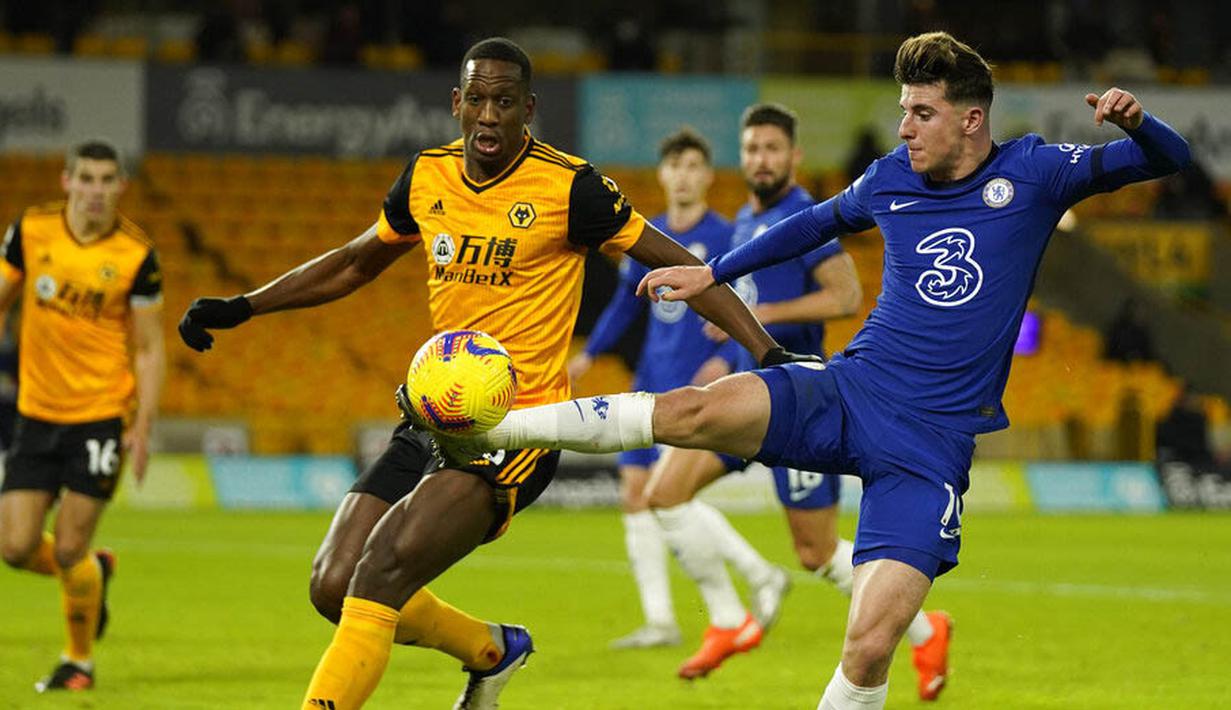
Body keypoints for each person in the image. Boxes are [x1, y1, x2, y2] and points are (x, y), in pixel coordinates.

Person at [439, 32, 1191, 709]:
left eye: (921, 112)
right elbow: (814, 221)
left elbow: (1168, 159)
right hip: (849, 391)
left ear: (969, 118)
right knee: (695, 410)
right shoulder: (893, 176)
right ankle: (494, 426)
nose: (903, 127)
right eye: (902, 110)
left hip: (928, 447)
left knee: (867, 648)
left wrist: (1135, 122)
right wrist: (713, 272)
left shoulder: (1032, 173)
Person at [177, 38, 799, 710]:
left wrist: (765, 353)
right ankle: (493, 650)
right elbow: (354, 262)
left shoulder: (570, 187)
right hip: (432, 415)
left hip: (518, 427)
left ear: (527, 109)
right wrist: (245, 305)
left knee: (382, 569)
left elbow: (679, 265)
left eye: (504, 101)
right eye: (476, 98)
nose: (489, 114)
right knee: (332, 585)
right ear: (456, 104)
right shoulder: (427, 176)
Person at [641, 103, 949, 687]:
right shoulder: (742, 220)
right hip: (745, 396)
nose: (761, 159)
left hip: (801, 403)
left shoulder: (804, 215)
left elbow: (845, 296)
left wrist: (763, 313)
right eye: (752, 148)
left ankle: (928, 630)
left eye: (772, 149)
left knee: (815, 552)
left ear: (794, 156)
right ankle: (732, 615)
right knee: (665, 493)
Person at [569, 127, 767, 651]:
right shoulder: (649, 231)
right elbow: (622, 306)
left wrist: (725, 360)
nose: (682, 175)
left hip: (697, 389)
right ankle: (661, 619)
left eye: (693, 166)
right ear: (662, 174)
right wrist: (590, 352)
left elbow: (743, 303)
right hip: (650, 380)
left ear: (706, 176)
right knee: (637, 494)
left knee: (664, 494)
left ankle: (755, 575)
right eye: (674, 165)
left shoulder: (728, 236)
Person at [0, 140, 166, 693]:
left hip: (99, 418)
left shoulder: (136, 256)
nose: (96, 190)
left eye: (106, 180)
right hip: (35, 415)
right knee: (16, 548)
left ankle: (78, 662)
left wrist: (141, 427)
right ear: (66, 181)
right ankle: (97, 571)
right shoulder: (31, 232)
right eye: (86, 178)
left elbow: (147, 347)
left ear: (121, 187)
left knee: (67, 546)